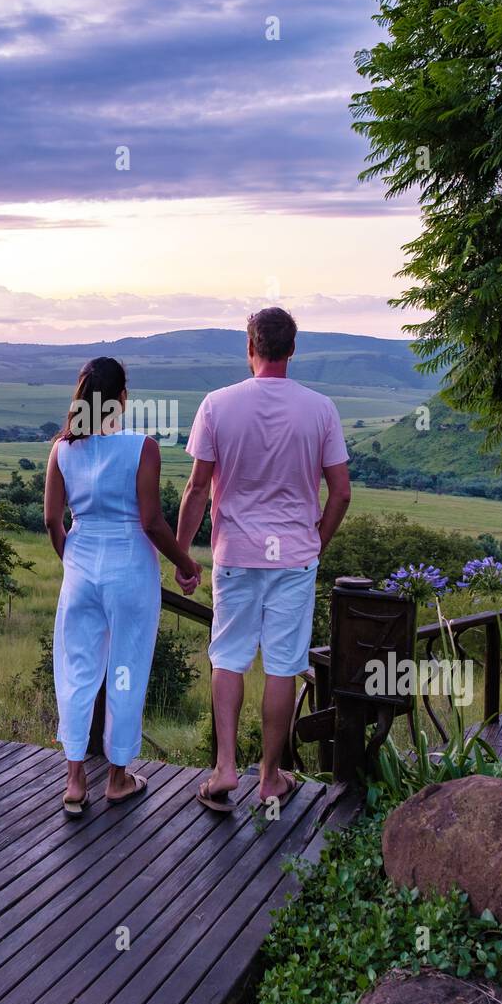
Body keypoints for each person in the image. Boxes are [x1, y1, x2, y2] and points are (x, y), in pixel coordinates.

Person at [175, 307, 351, 813]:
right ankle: (270, 777)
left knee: (228, 657)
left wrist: (184, 555)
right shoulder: (320, 409)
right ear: (292, 350)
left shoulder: (217, 404)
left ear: (249, 347)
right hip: (294, 559)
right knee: (283, 666)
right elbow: (340, 493)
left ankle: (226, 767)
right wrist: (316, 541)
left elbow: (197, 488)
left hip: (236, 555)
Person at [44, 357, 201, 817]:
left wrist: (70, 556)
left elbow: (53, 519)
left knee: (76, 669)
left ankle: (74, 781)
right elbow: (151, 521)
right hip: (130, 567)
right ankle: (116, 777)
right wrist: (186, 563)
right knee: (126, 666)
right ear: (122, 398)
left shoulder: (62, 450)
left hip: (81, 565)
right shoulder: (141, 448)